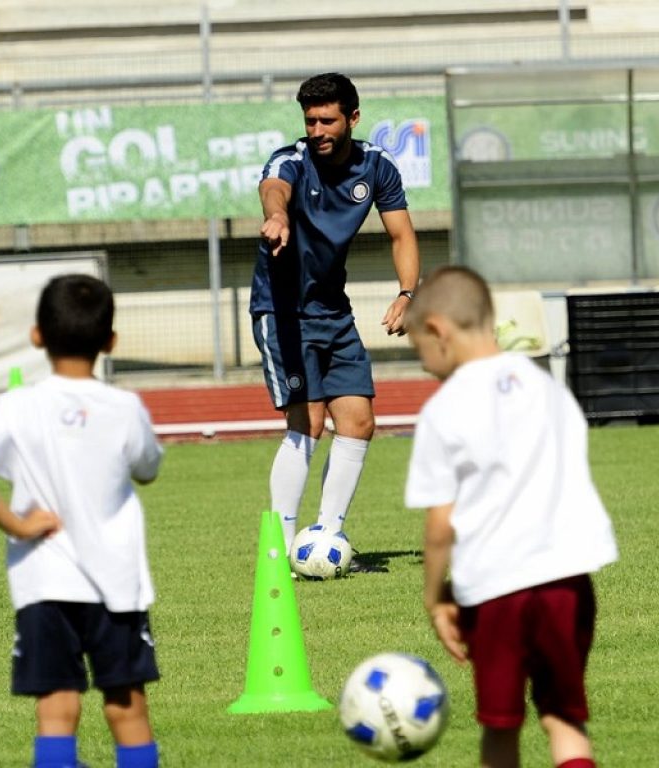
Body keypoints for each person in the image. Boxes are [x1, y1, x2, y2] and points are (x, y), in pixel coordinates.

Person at [403, 266, 618, 768]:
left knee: (500, 729)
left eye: (419, 352)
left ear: (439, 330)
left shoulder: (445, 408)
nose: (425, 367)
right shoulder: (548, 389)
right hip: (568, 579)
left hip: (498, 589)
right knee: (564, 718)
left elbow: (440, 524)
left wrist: (436, 598)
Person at [0, 274, 163, 768]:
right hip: (114, 583)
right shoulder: (124, 407)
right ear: (110, 341)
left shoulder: (16, 405)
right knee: (127, 707)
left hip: (43, 582)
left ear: (37, 335)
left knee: (56, 710)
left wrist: (12, 524)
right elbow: (148, 469)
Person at [249, 71, 421, 554]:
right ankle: (281, 549)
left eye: (327, 120)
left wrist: (407, 293)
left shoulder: (377, 166)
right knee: (309, 421)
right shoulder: (293, 160)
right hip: (283, 309)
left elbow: (403, 234)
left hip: (333, 310)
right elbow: (273, 188)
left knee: (359, 421)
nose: (317, 130)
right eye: (310, 121)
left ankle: (326, 540)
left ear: (353, 118)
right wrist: (278, 215)